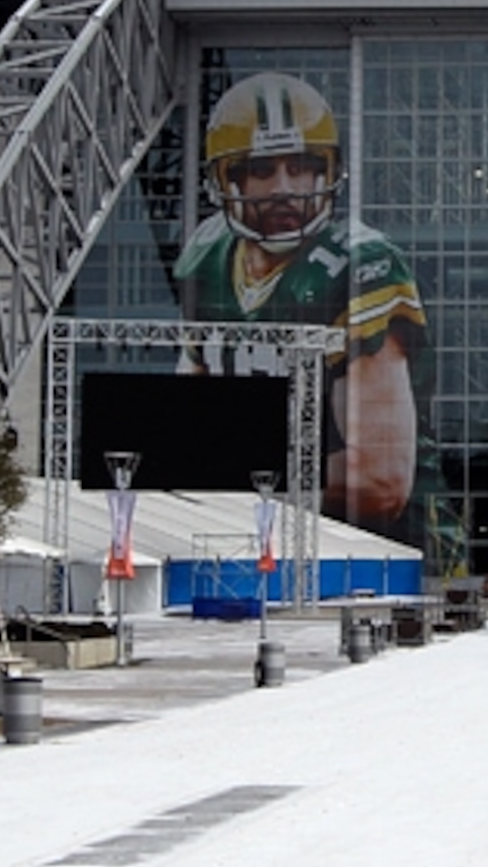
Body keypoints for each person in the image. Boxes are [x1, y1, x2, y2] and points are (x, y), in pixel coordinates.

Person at [173, 71, 436, 544]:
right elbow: (189, 424)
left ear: (327, 172)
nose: (285, 188)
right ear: (225, 179)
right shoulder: (206, 257)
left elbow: (380, 480)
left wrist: (229, 473)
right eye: (261, 170)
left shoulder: (360, 264)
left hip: (381, 548)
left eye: (301, 167)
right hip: (258, 531)